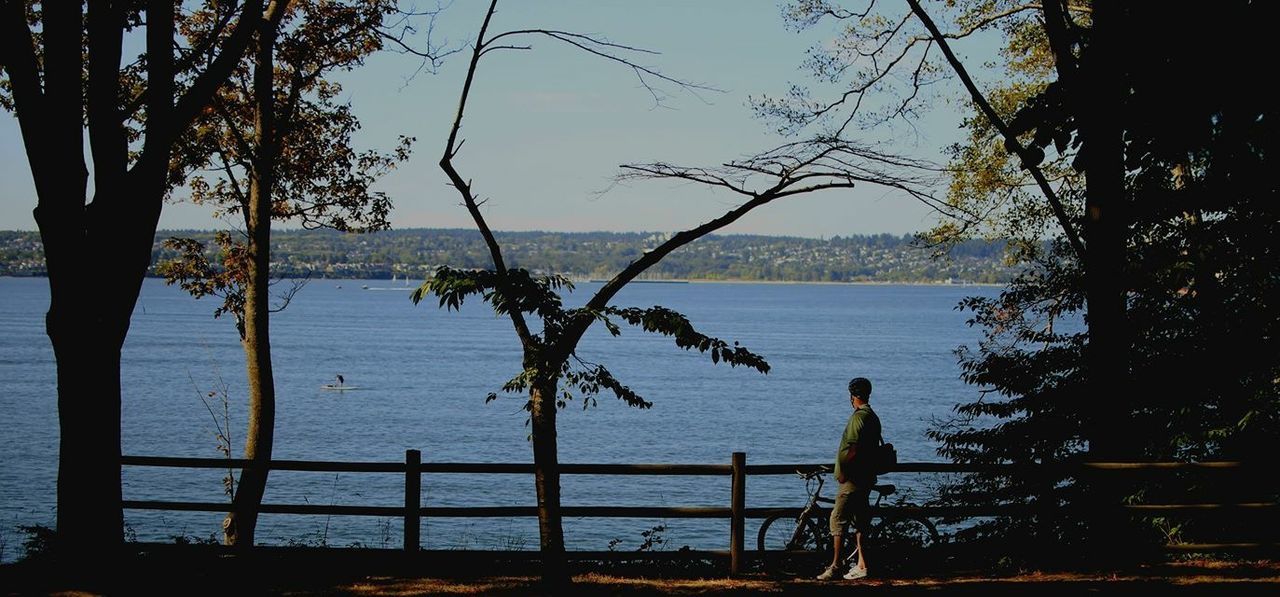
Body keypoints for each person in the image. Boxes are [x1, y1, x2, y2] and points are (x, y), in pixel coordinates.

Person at [816, 376, 883, 581]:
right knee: (860, 522)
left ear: (852, 396)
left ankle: (836, 566)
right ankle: (863, 565)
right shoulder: (872, 416)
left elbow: (852, 449)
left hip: (853, 478)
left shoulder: (858, 417)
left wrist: (843, 471)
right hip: (866, 477)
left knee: (838, 519)